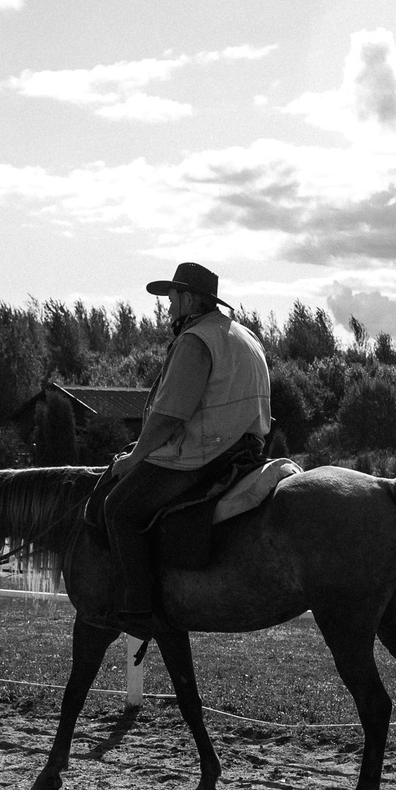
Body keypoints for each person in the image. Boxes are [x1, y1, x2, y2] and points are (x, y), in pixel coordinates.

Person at [104, 261, 272, 623]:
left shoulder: (195, 340)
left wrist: (136, 457)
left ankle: (137, 609)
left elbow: (169, 416)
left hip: (203, 453)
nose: (167, 306)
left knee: (118, 509)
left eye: (172, 297)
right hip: (248, 450)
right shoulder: (245, 336)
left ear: (191, 300)